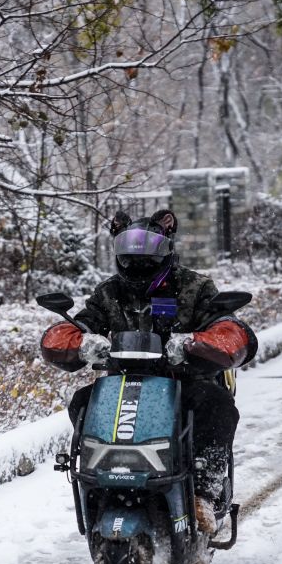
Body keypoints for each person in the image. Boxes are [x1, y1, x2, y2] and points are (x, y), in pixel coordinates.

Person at [40, 208, 257, 535]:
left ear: (167, 248)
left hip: (185, 385)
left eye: (148, 255)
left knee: (218, 406)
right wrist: (83, 342)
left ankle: (205, 492)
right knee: (82, 401)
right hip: (124, 385)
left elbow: (229, 331)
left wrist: (192, 344)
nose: (137, 263)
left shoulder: (195, 288)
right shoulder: (108, 293)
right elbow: (73, 329)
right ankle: (99, 477)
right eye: (128, 256)